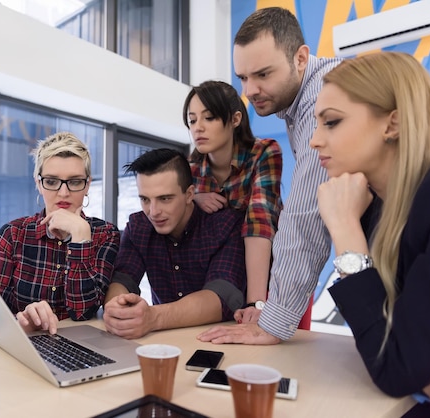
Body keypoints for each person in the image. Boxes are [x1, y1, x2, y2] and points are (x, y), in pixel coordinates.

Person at [311, 52, 430, 416]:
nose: (314, 141)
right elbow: (394, 343)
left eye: (331, 122)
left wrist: (344, 230)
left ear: (392, 124)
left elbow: (396, 365)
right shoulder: (378, 207)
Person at [198, 7, 342, 344]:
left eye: (263, 74)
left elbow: (305, 216)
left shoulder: (322, 96)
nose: (250, 90)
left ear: (301, 58)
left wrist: (271, 320)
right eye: (243, 78)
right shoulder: (294, 105)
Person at [0, 132, 120, 345]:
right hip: (16, 346)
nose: (63, 192)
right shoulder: (13, 234)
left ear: (87, 185)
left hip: (73, 350)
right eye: (51, 181)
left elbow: (83, 312)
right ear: (39, 184)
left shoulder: (106, 234)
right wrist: (20, 324)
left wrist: (80, 238)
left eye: (75, 182)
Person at [103, 148, 247, 339]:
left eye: (164, 199)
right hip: (163, 343)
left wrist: (152, 318)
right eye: (145, 199)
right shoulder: (139, 226)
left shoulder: (226, 225)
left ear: (189, 194)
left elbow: (222, 297)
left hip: (221, 342)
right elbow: (122, 280)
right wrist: (117, 310)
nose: (153, 212)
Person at [183, 80, 282, 324]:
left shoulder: (264, 152)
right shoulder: (190, 169)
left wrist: (256, 303)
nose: (198, 128)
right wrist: (193, 198)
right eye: (192, 120)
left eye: (209, 118)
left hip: (273, 275)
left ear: (235, 119)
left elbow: (259, 220)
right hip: (220, 281)